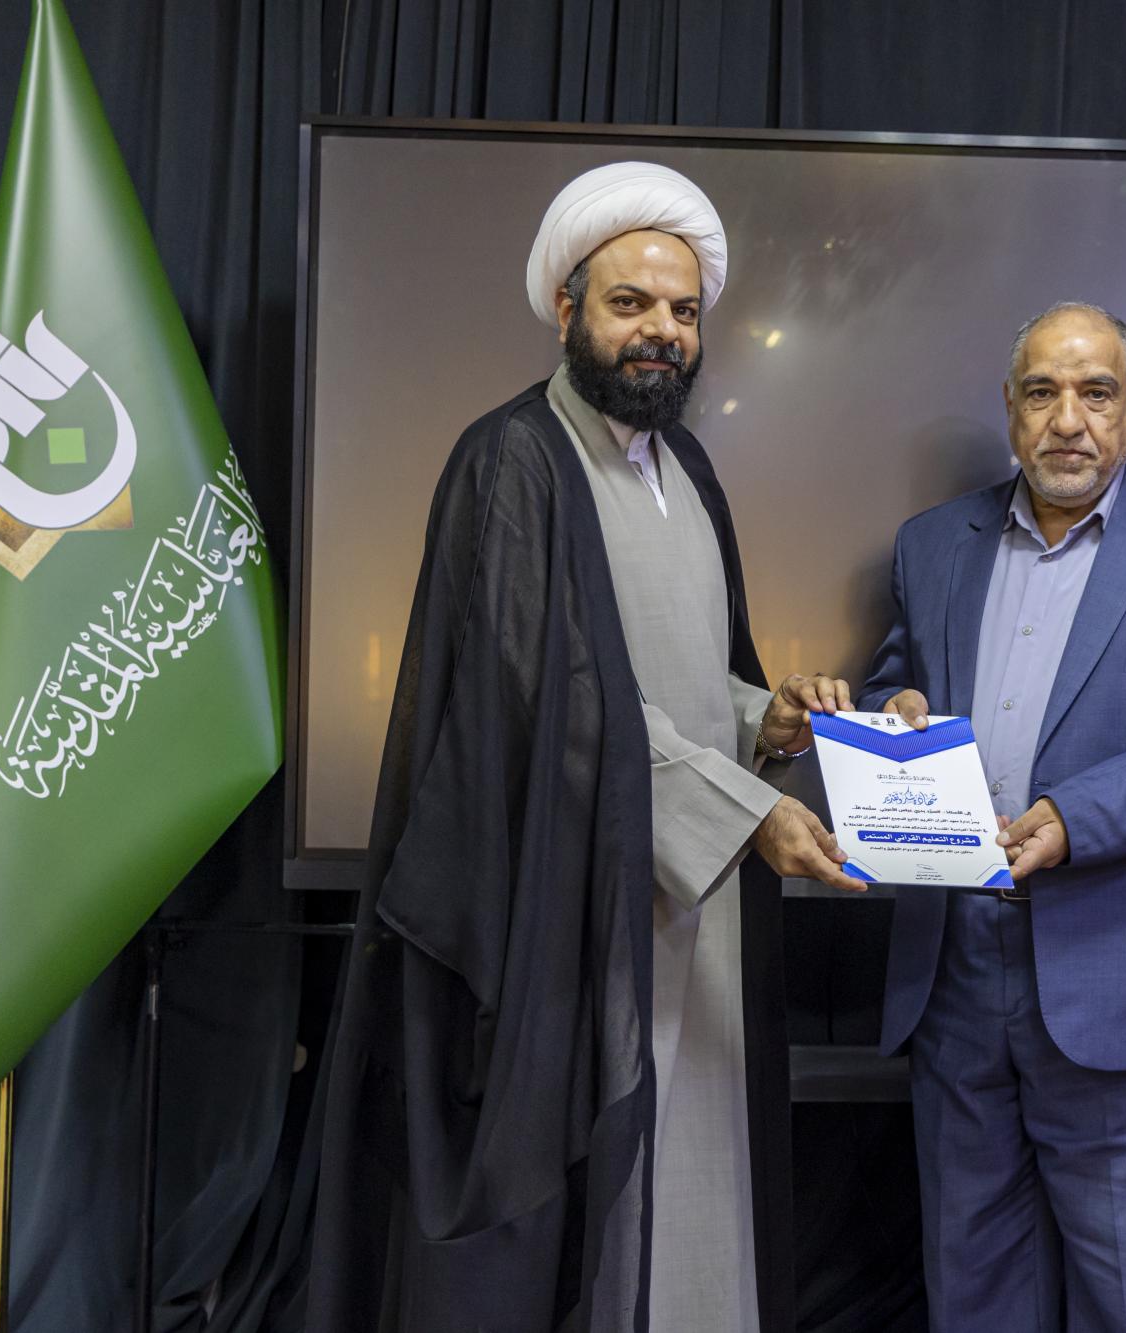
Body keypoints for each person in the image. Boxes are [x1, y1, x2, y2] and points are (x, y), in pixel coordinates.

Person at [307, 161, 860, 1333]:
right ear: (566, 308)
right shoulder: (513, 460)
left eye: (682, 310)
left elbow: (687, 672)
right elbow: (543, 701)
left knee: (702, 1184)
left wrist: (760, 720)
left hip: (694, 893)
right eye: (629, 303)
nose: (661, 331)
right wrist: (748, 813)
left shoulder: (687, 468)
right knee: (595, 1229)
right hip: (567, 916)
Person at [856, 302, 1126, 1331]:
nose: (1068, 420)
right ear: (1009, 408)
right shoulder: (932, 544)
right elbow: (893, 686)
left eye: (1095, 393)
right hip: (954, 980)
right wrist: (894, 713)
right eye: (1042, 393)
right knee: (972, 1296)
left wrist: (1074, 815)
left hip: (1122, 981)